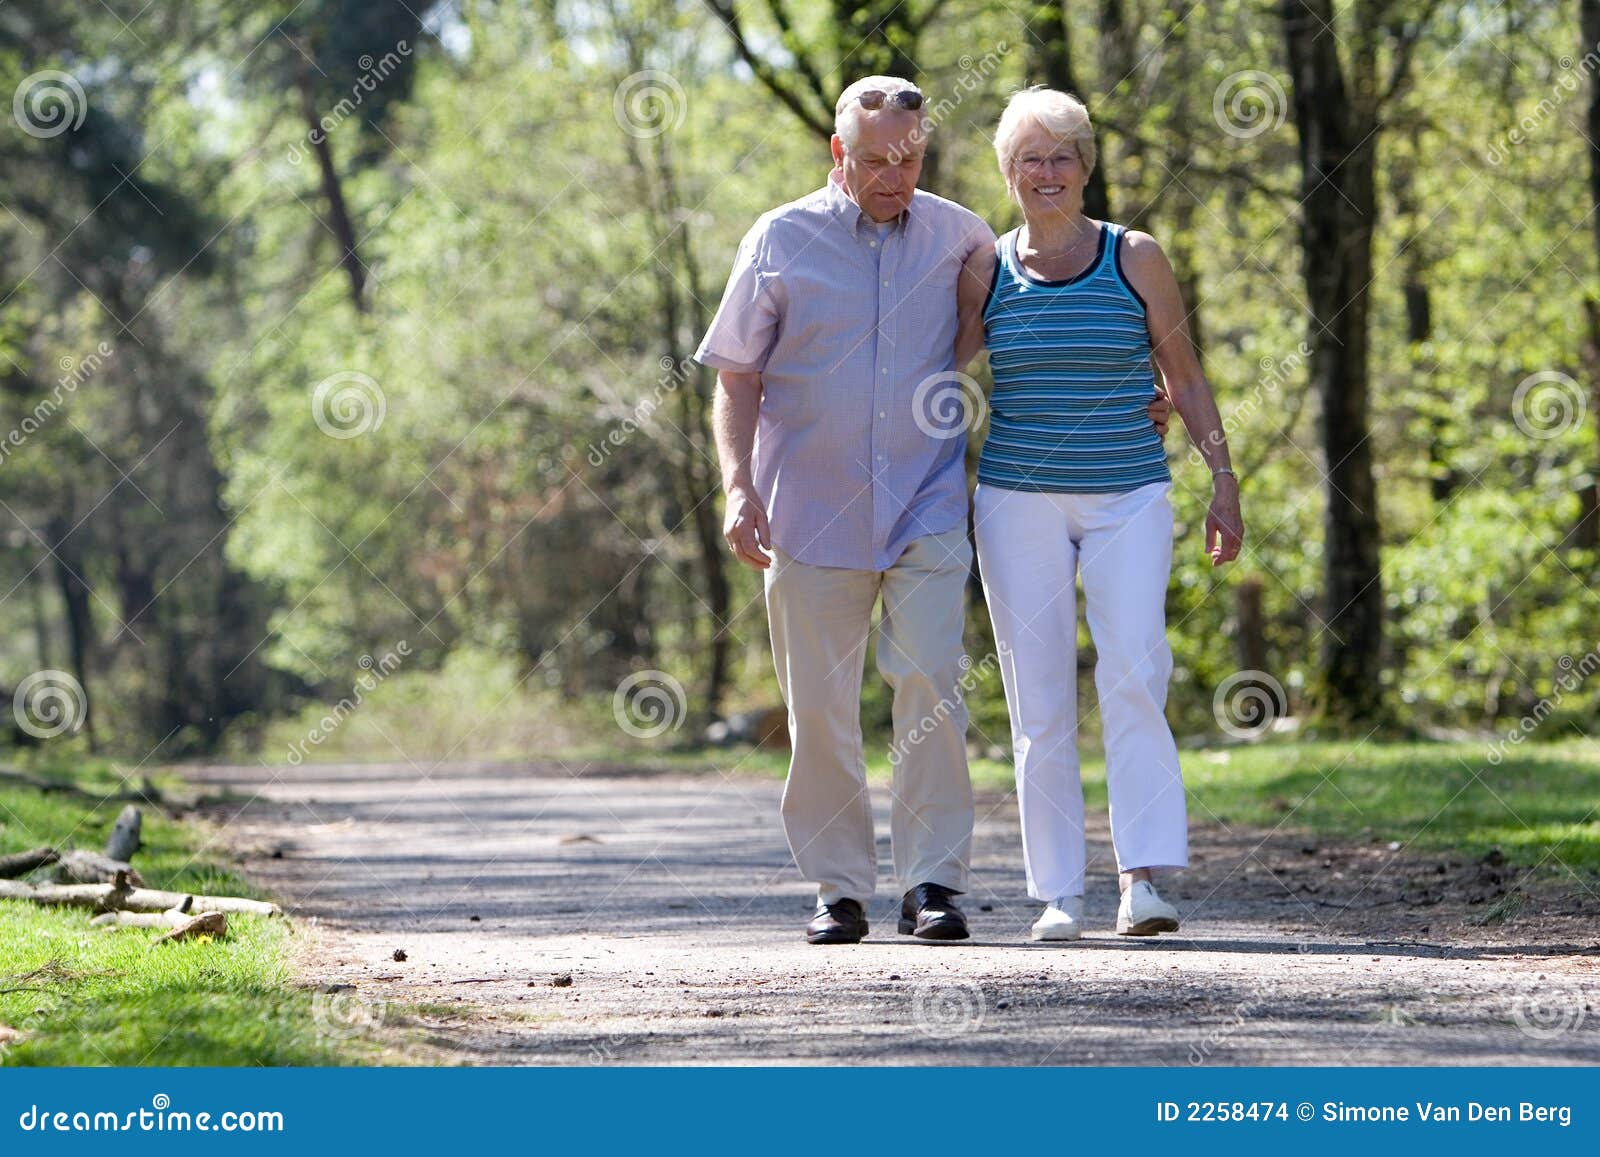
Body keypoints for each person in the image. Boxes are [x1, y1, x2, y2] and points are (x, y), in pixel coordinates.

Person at [694, 76, 1170, 945]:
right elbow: (736, 375)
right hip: (810, 508)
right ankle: (839, 888)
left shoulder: (961, 238)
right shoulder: (779, 239)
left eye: (909, 158)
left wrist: (1136, 392)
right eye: (875, 160)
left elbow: (1037, 321)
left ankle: (931, 883)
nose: (894, 175)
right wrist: (738, 485)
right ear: (839, 155)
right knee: (822, 704)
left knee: (930, 686)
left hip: (926, 501)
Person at [957, 86, 1243, 941]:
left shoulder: (1136, 255)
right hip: (1015, 502)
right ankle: (1057, 893)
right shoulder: (986, 267)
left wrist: (1223, 479)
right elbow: (933, 371)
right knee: (1037, 699)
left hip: (1129, 494)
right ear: (1009, 174)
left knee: (1134, 672)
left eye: (1063, 157)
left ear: (1086, 168)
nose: (1047, 173)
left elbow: (1185, 376)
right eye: (1030, 159)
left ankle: (1142, 879)